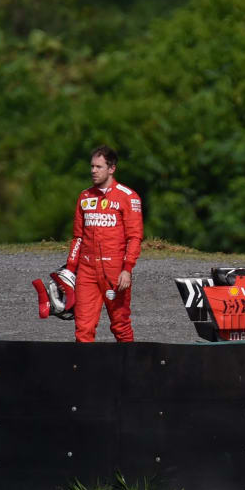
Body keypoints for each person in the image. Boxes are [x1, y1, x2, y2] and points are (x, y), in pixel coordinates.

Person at [65, 145, 144, 342]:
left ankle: (129, 369)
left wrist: (127, 269)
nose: (93, 171)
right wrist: (70, 268)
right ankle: (85, 371)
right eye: (92, 166)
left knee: (120, 326)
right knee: (83, 327)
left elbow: (134, 237)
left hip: (115, 270)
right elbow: (78, 237)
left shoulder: (128, 196)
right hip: (87, 270)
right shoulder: (84, 196)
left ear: (111, 169)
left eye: (99, 167)